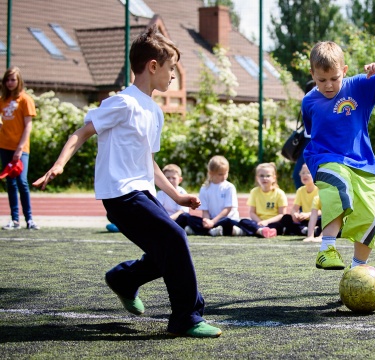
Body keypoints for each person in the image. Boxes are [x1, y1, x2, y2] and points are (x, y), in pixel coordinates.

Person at [32, 26, 221, 338]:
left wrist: (176, 194)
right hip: (120, 195)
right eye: (171, 67)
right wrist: (59, 165)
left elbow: (148, 161)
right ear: (152, 66)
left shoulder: (155, 112)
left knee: (167, 251)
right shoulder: (123, 103)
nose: (173, 75)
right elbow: (81, 133)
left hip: (142, 192)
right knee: (175, 239)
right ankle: (186, 318)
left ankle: (124, 279)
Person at [302, 41, 375, 270]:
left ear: (344, 71)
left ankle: (356, 269)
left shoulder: (358, 86)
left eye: (334, 78)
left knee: (372, 219)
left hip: (362, 163)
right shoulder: (308, 102)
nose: (329, 85)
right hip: (325, 158)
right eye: (321, 80)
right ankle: (327, 249)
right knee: (338, 184)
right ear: (312, 73)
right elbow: (311, 133)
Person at [0, 66, 39, 230]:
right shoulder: (2, 100)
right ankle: (14, 220)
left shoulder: (25, 100)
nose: (10, 83)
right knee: (10, 183)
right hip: (4, 146)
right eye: (8, 80)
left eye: (13, 80)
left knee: (22, 182)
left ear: (19, 81)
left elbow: (28, 126)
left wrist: (19, 148)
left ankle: (29, 219)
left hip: (20, 149)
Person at [176, 155, 243, 237]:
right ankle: (211, 230)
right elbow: (205, 211)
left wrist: (213, 222)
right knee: (185, 217)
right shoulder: (205, 188)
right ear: (211, 173)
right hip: (212, 220)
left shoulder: (229, 187)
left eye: (226, 173)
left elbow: (227, 209)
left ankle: (203, 230)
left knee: (228, 222)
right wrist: (206, 221)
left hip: (225, 219)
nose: (224, 176)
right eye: (220, 174)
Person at [228, 162, 285, 238]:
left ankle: (254, 231)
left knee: (280, 225)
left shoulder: (279, 193)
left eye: (268, 176)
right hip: (258, 222)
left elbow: (281, 215)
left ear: (274, 178)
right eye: (261, 176)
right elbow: (252, 212)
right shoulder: (254, 192)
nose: (264, 178)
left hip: (272, 222)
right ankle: (261, 231)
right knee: (243, 221)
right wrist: (260, 222)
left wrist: (267, 222)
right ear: (257, 178)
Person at [280, 164, 320, 236]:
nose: (305, 175)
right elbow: (294, 209)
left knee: (325, 220)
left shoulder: (320, 190)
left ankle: (307, 230)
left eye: (308, 172)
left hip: (316, 218)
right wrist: (295, 214)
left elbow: (323, 211)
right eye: (303, 173)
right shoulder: (300, 190)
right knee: (286, 218)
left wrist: (308, 214)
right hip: (304, 220)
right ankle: (306, 230)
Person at [292, 80, 317, 189]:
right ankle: (301, 204)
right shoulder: (306, 103)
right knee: (298, 174)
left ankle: (318, 202)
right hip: (308, 141)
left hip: (323, 142)